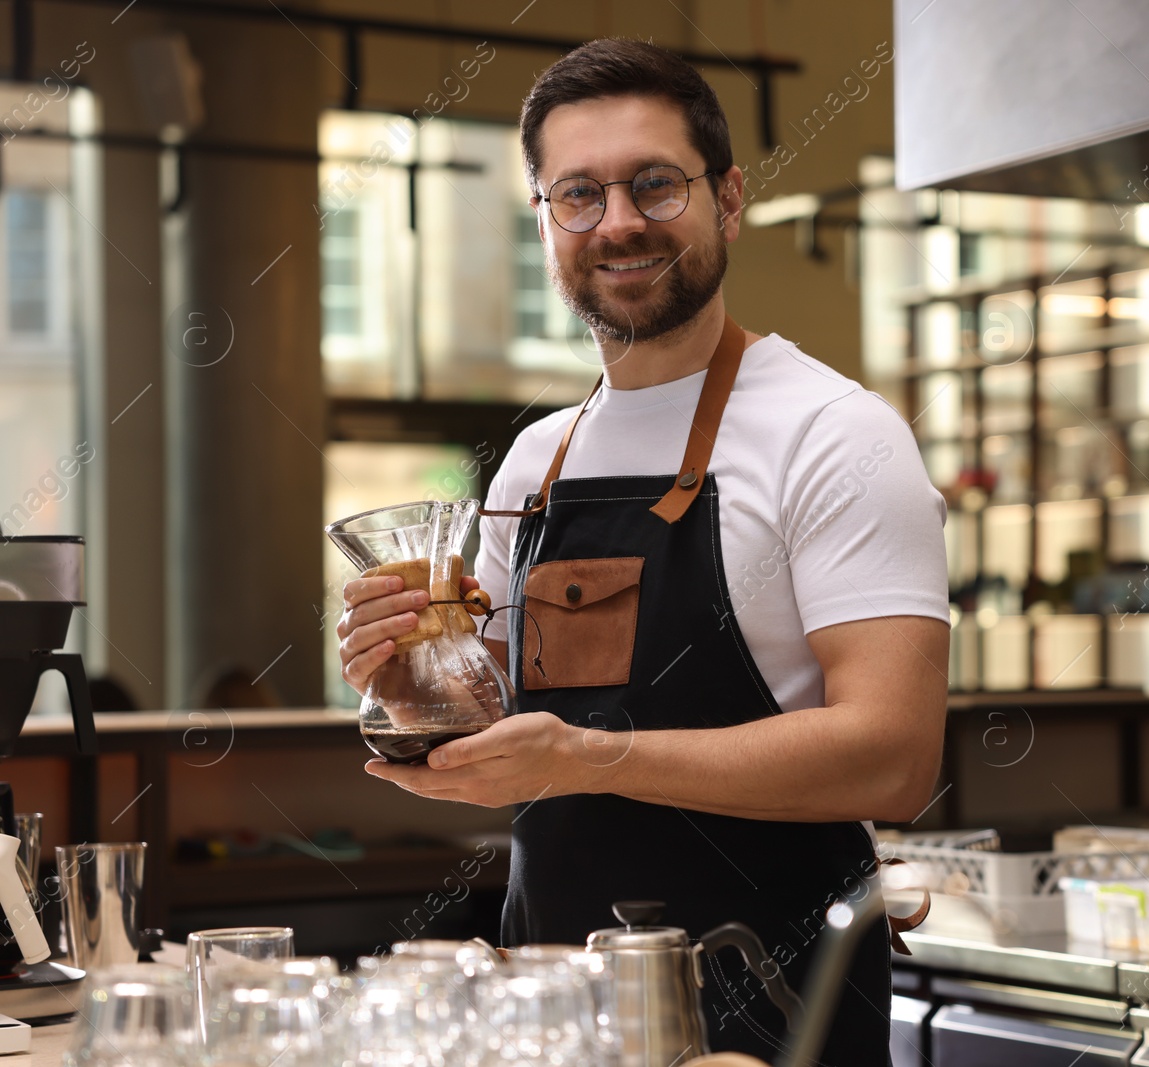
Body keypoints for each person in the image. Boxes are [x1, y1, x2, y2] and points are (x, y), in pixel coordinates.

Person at [336, 38, 949, 1064]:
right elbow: (488, 715)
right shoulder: (536, 458)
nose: (617, 222)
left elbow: (893, 757)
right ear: (543, 219)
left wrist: (586, 756)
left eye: (653, 184)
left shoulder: (834, 433)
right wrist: (405, 679)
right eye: (577, 194)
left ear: (729, 198)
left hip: (764, 1003)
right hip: (556, 1004)